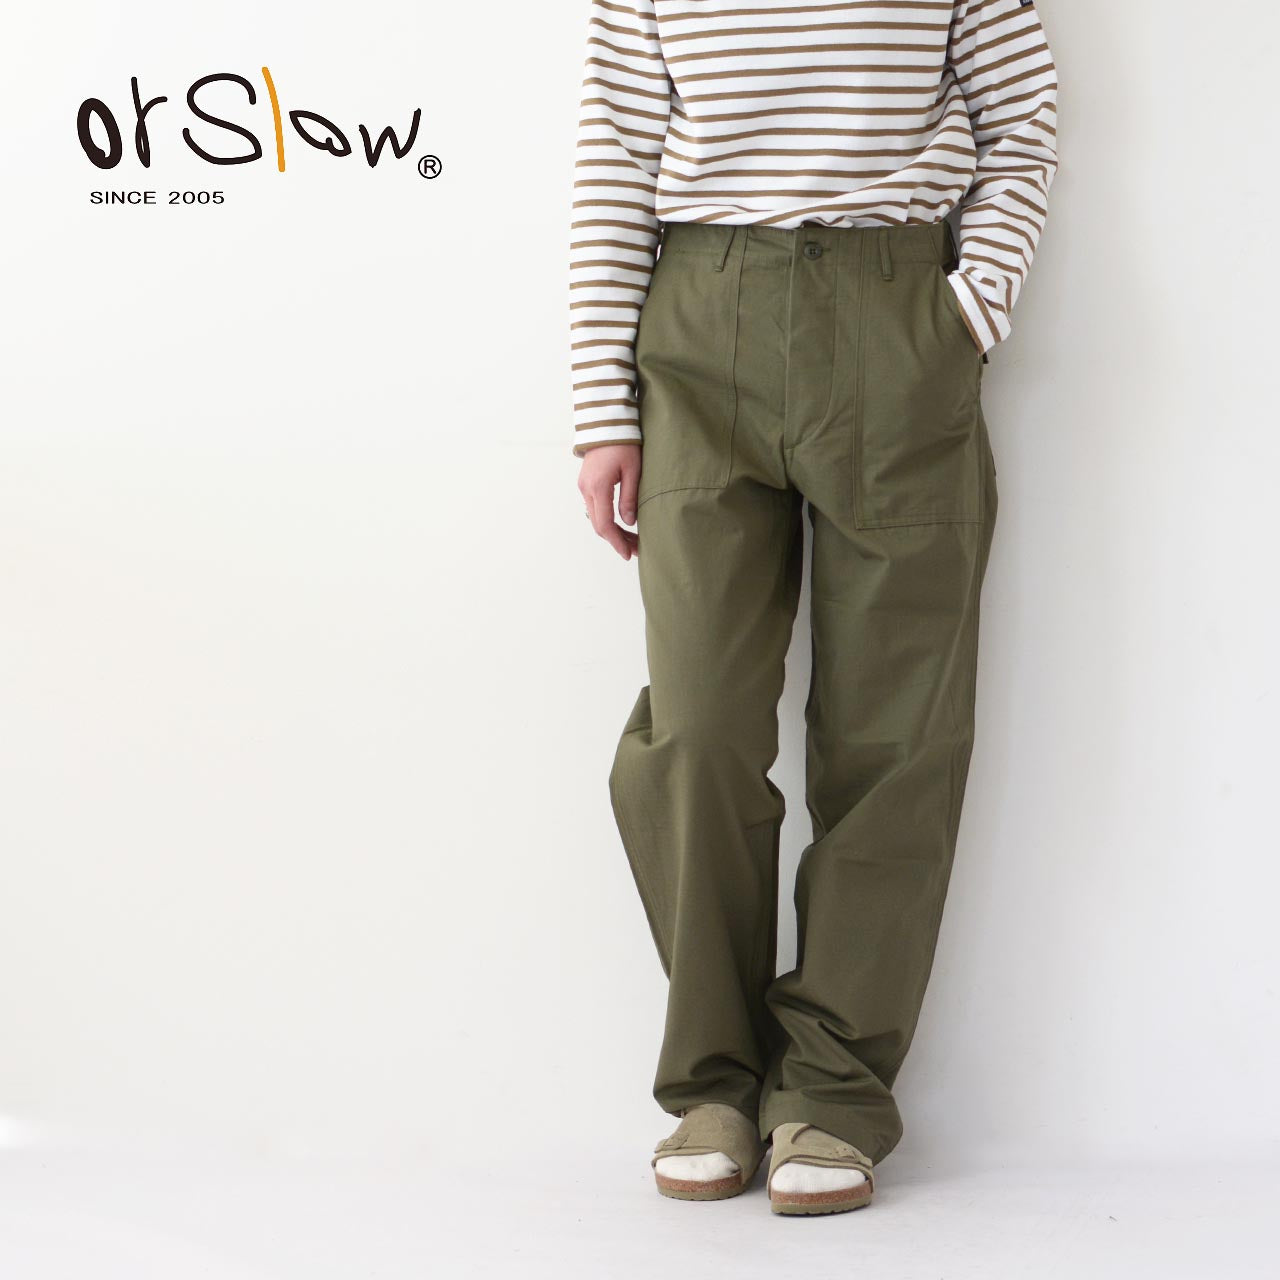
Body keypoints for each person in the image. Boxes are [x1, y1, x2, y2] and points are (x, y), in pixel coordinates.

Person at [571, 0, 1057, 1216]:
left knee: (895, 735)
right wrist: (601, 409)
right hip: (698, 325)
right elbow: (614, 161)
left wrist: (967, 310)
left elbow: (1022, 120)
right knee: (696, 728)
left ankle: (832, 1087)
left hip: (896, 317)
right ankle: (714, 1079)